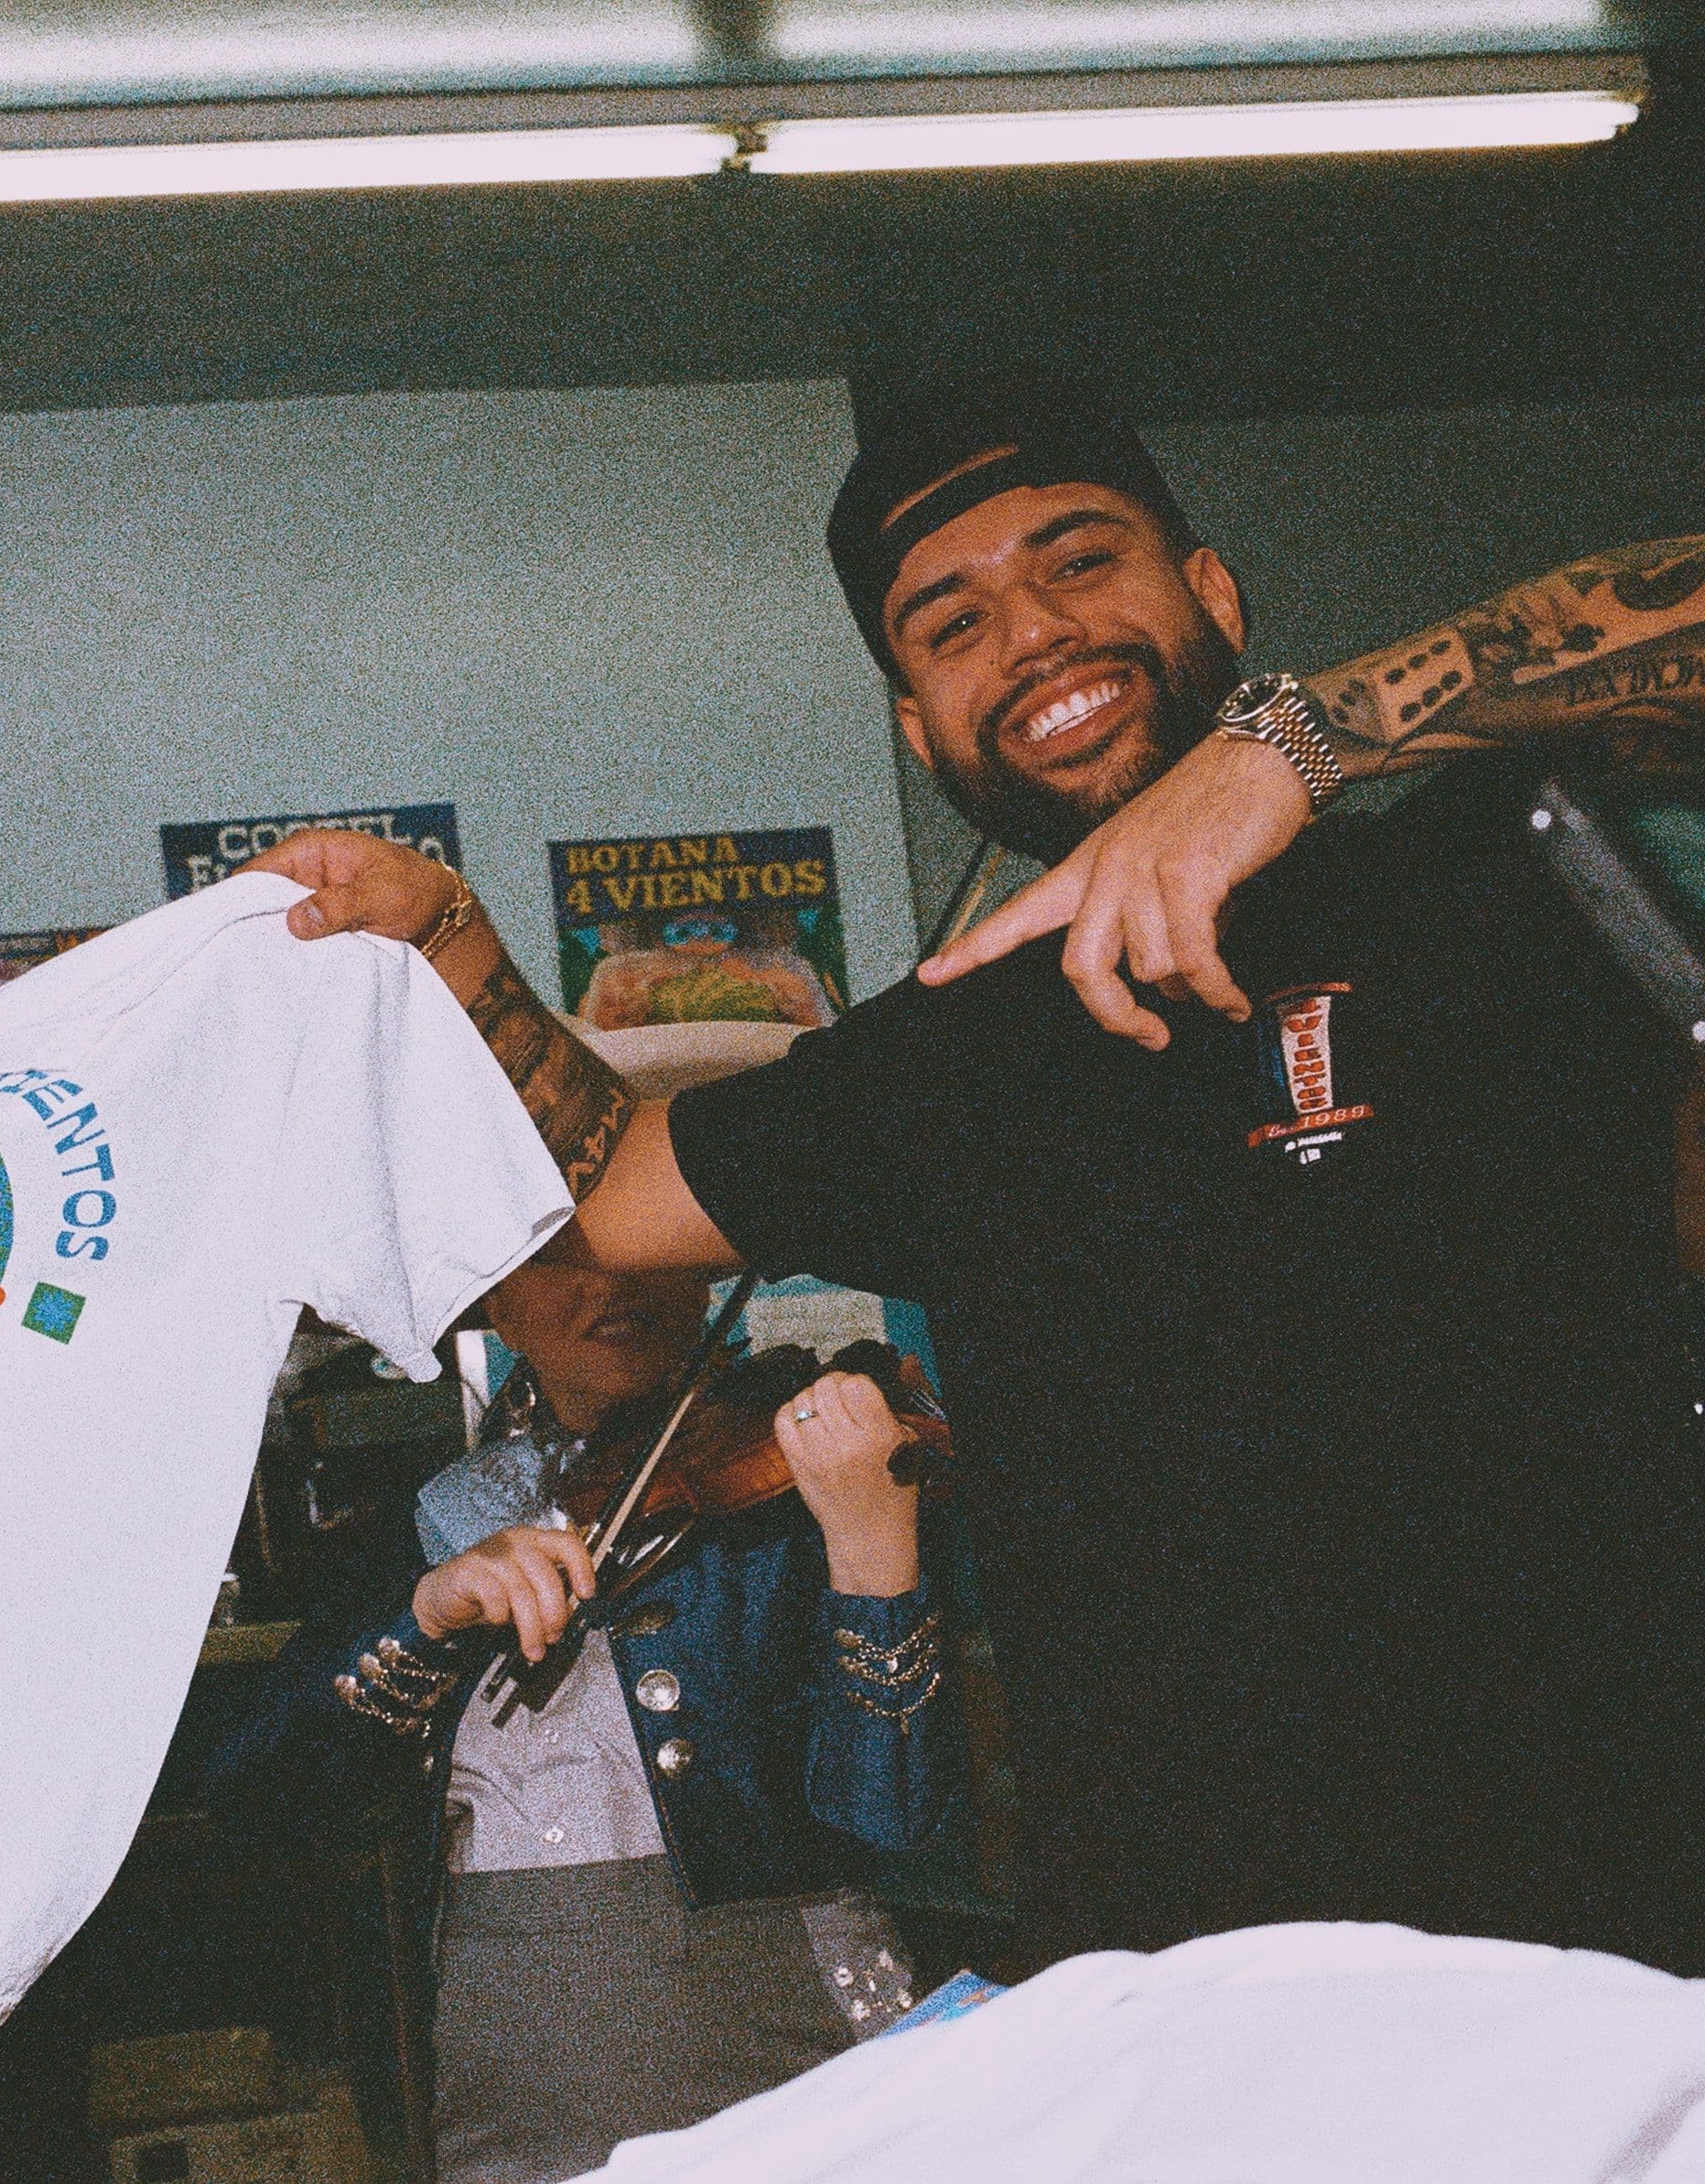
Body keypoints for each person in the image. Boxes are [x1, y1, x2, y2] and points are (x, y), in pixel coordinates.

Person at [249, 373, 1705, 1977]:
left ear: (1210, 590)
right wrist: (454, 939)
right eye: (949, 624)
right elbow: (605, 1200)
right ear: (916, 727)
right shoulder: (943, 1061)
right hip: (1188, 1985)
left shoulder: (1500, 877)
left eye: (1081, 561)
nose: (1029, 634)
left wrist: (1295, 745)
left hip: (1620, 1942)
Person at [210, 1024, 962, 2181]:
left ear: (712, 1259)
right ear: (495, 1303)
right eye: (556, 1248)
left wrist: (871, 1547)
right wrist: (424, 1616)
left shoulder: (813, 1469)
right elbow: (264, 1799)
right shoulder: (438, 1520)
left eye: (641, 1234)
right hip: (521, 2090)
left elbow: (895, 1826)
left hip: (804, 2061)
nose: (611, 1279)